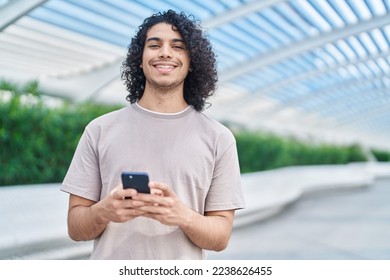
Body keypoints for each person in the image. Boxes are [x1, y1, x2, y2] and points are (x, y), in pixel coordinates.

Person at [61, 9, 245, 260]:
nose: (165, 52)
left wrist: (182, 215)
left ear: (192, 62)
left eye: (178, 46)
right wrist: (104, 211)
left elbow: (221, 237)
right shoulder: (99, 130)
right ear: (140, 58)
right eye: (154, 44)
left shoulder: (218, 138)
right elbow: (75, 227)